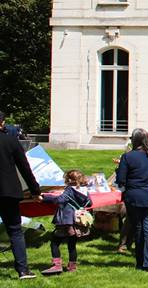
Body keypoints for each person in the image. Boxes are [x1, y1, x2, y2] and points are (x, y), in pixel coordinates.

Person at [0, 110, 41, 280]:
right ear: (2, 123)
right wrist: (35, 190)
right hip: (8, 191)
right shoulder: (10, 140)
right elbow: (25, 168)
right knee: (15, 231)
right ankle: (23, 270)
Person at [116, 128, 148, 271]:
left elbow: (121, 180)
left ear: (134, 140)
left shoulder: (128, 157)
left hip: (135, 197)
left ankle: (140, 261)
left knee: (138, 228)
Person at [40, 170, 92, 275]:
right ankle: (72, 267)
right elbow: (89, 203)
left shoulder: (69, 189)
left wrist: (45, 197)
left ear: (69, 180)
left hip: (66, 221)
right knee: (72, 245)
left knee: (54, 243)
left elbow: (60, 200)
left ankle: (57, 265)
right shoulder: (84, 189)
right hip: (77, 221)